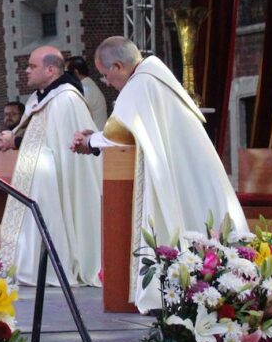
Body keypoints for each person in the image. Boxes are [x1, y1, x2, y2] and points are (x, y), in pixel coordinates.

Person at [71, 36, 248, 311]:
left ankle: (186, 286)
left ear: (118, 66)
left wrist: (90, 142)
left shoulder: (141, 84)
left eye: (106, 76)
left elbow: (119, 135)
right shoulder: (153, 76)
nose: (107, 83)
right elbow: (129, 131)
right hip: (192, 173)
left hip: (178, 175)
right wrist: (95, 137)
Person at [0, 46, 102, 287]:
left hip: (54, 179)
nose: (26, 71)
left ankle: (51, 267)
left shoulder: (67, 99)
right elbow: (34, 133)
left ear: (51, 69)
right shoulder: (38, 97)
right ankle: (23, 265)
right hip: (35, 175)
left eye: (32, 66)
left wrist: (16, 141)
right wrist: (11, 139)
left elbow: (63, 145)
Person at [65, 55, 107, 130]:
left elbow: (76, 119)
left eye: (66, 73)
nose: (65, 76)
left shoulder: (85, 90)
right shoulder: (88, 85)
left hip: (93, 136)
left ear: (75, 72)